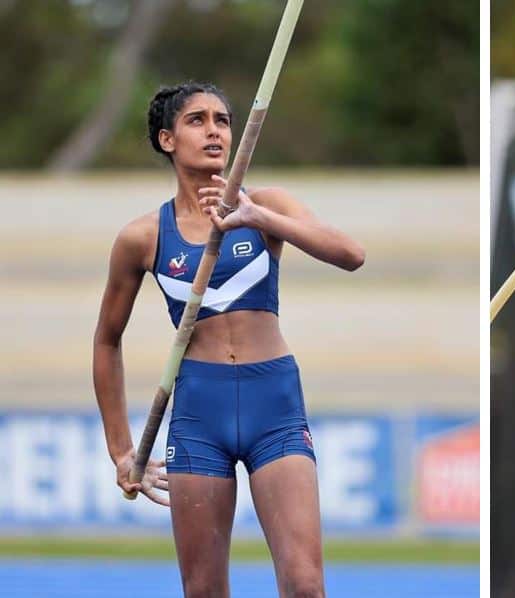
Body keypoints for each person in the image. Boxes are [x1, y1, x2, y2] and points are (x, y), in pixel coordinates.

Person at [93, 81, 365, 598]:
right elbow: (107, 341)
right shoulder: (143, 237)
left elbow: (351, 254)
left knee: (306, 585)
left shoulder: (267, 205)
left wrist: (258, 216)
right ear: (167, 139)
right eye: (197, 120)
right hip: (199, 414)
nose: (215, 130)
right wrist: (121, 449)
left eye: (223, 120)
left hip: (275, 405)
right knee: (204, 591)